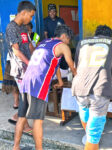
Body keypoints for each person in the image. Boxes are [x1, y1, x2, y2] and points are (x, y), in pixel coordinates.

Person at [13, 24, 76, 150]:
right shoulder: (62, 46)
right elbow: (71, 65)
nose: (68, 43)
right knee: (38, 120)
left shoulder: (44, 42)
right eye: (68, 40)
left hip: (26, 80)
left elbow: (54, 63)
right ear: (64, 37)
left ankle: (15, 147)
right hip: (38, 84)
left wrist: (60, 81)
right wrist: (78, 77)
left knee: (22, 117)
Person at [71, 25, 112, 150]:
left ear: (96, 34)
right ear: (109, 36)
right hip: (99, 90)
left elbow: (75, 66)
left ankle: (89, 138)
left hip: (79, 88)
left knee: (85, 116)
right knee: (94, 133)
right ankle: (91, 140)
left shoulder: (82, 42)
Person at [5, 0, 36, 142]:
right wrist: (29, 63)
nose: (31, 19)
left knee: (28, 97)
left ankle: (18, 117)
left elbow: (29, 45)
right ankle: (23, 124)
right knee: (25, 98)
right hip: (20, 68)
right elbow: (16, 51)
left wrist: (37, 59)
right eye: (31, 15)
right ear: (23, 12)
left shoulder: (24, 28)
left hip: (29, 67)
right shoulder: (11, 28)